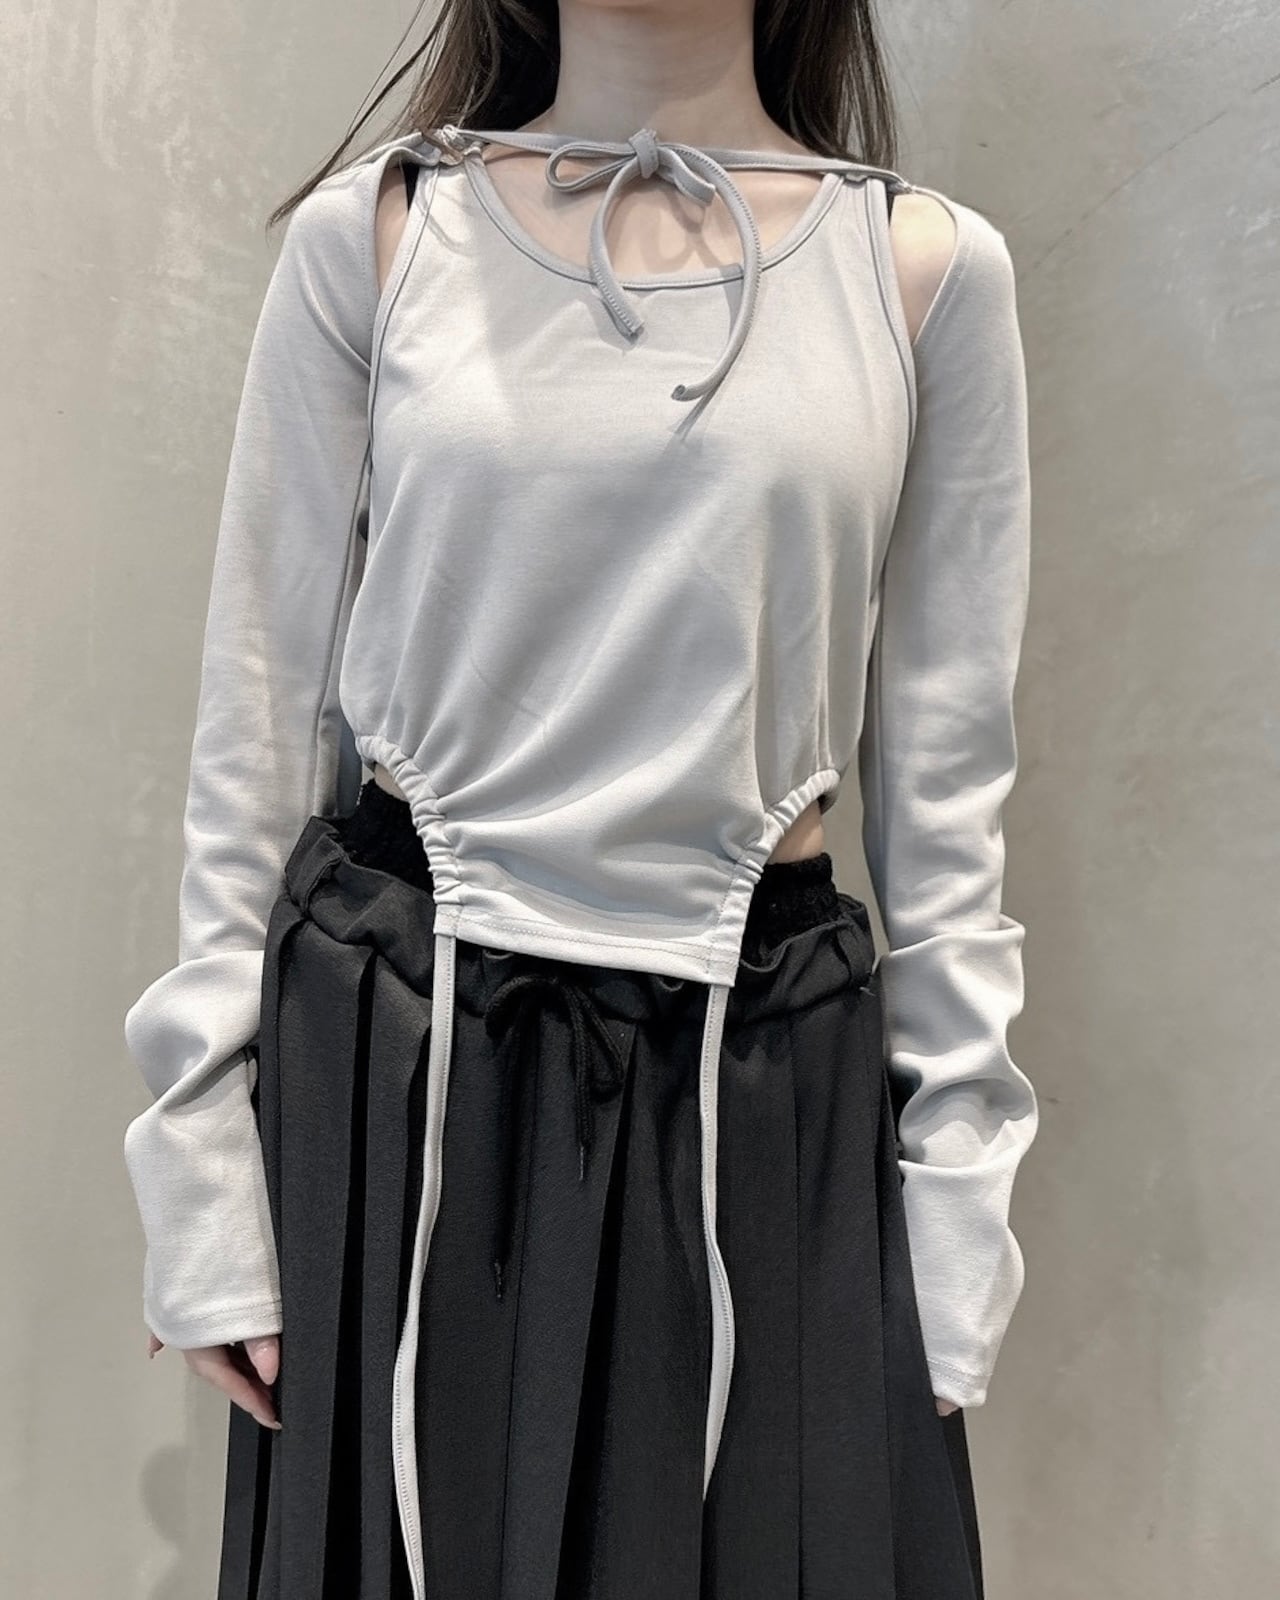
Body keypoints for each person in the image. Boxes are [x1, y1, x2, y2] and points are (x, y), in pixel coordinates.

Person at [121, 2, 1037, 1595]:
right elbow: (258, 715)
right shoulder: (380, 239)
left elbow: (947, 789)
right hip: (402, 1056)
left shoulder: (924, 271)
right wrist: (196, 1148)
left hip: (764, 1075)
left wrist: (960, 1186)